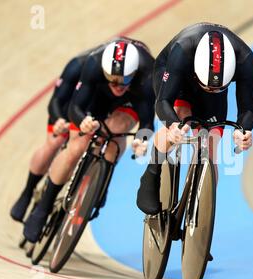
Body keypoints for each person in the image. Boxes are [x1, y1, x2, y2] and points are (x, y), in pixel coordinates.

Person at [23, 37, 155, 242]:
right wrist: (83, 122)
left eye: (123, 80)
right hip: (97, 97)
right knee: (77, 146)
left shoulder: (147, 77)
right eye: (112, 79)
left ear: (134, 73)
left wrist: (142, 140)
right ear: (104, 70)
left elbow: (147, 122)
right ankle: (44, 205)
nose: (118, 85)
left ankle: (103, 179)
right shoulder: (93, 64)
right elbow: (75, 107)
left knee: (116, 133)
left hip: (131, 100)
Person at [136, 22, 253, 215]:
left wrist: (242, 131)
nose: (209, 89)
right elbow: (163, 102)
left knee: (210, 145)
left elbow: (247, 110)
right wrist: (173, 125)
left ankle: (201, 211)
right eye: (208, 86)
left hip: (213, 89)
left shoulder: (246, 61)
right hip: (176, 76)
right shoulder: (183, 50)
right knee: (183, 119)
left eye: (215, 87)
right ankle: (152, 174)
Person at [10, 47, 98, 223]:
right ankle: (28, 191)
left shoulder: (105, 73)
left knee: (84, 147)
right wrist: (58, 120)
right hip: (70, 107)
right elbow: (56, 101)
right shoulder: (76, 66)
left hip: (95, 106)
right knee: (54, 142)